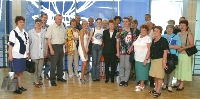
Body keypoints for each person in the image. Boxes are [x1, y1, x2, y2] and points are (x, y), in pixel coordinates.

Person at [8, 16, 29, 94]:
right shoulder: (13, 32)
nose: (22, 23)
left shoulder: (25, 33)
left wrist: (27, 53)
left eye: (23, 22)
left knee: (20, 72)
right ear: (16, 23)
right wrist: (10, 55)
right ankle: (14, 88)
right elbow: (10, 45)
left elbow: (26, 45)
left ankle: (20, 86)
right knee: (15, 73)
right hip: (15, 56)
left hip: (23, 56)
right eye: (20, 22)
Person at [45, 14, 67, 86]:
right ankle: (52, 79)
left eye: (61, 19)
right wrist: (51, 49)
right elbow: (48, 39)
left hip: (61, 46)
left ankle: (60, 77)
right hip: (54, 47)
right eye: (59, 19)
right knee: (53, 65)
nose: (60, 21)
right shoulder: (51, 27)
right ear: (55, 19)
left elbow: (65, 37)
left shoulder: (63, 27)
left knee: (60, 64)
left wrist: (66, 47)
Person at [149, 26, 168, 98]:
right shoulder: (153, 40)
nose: (155, 32)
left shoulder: (163, 40)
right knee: (155, 76)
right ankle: (155, 88)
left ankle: (158, 91)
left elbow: (165, 52)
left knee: (159, 76)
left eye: (157, 31)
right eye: (154, 31)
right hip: (154, 60)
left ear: (160, 32)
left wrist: (164, 62)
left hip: (160, 60)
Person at [174, 20, 193, 91]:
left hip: (185, 54)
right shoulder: (178, 34)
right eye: (180, 25)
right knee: (178, 68)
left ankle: (182, 84)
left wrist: (183, 48)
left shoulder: (189, 34)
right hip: (178, 53)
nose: (182, 26)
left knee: (183, 69)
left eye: (183, 25)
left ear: (186, 26)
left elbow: (192, 44)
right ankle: (178, 82)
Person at [28, 18, 47, 88]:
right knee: (35, 69)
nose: (39, 25)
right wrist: (28, 53)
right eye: (37, 23)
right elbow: (28, 43)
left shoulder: (44, 31)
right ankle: (36, 81)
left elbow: (46, 42)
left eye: (40, 23)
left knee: (40, 69)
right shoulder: (30, 32)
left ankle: (37, 79)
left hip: (42, 52)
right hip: (34, 52)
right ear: (35, 24)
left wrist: (46, 51)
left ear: (42, 24)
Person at [116, 17, 135, 87]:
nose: (125, 23)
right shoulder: (120, 30)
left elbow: (134, 41)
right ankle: (122, 80)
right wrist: (117, 52)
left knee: (127, 66)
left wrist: (131, 48)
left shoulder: (132, 31)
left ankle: (126, 80)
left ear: (129, 22)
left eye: (126, 21)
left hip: (129, 51)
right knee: (121, 66)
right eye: (123, 21)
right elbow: (117, 42)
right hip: (121, 51)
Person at [162, 25, 181, 92]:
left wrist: (169, 47)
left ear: (173, 30)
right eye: (168, 29)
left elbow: (178, 46)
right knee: (164, 70)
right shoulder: (163, 36)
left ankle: (169, 85)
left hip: (173, 56)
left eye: (171, 29)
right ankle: (164, 83)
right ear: (166, 30)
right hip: (164, 55)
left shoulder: (176, 37)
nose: (169, 30)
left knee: (171, 71)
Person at [133, 24, 152, 91]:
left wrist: (146, 59)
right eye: (142, 30)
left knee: (143, 72)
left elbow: (149, 50)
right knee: (139, 72)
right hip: (137, 57)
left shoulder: (148, 38)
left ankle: (142, 85)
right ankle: (141, 84)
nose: (143, 31)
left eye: (145, 30)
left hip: (144, 58)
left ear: (147, 31)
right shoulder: (139, 36)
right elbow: (135, 44)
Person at [41, 13, 50, 80]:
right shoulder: (38, 26)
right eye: (44, 17)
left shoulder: (49, 27)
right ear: (41, 18)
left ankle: (46, 73)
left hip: (48, 46)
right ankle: (38, 75)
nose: (45, 19)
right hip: (40, 47)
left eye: (46, 18)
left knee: (48, 62)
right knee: (40, 62)